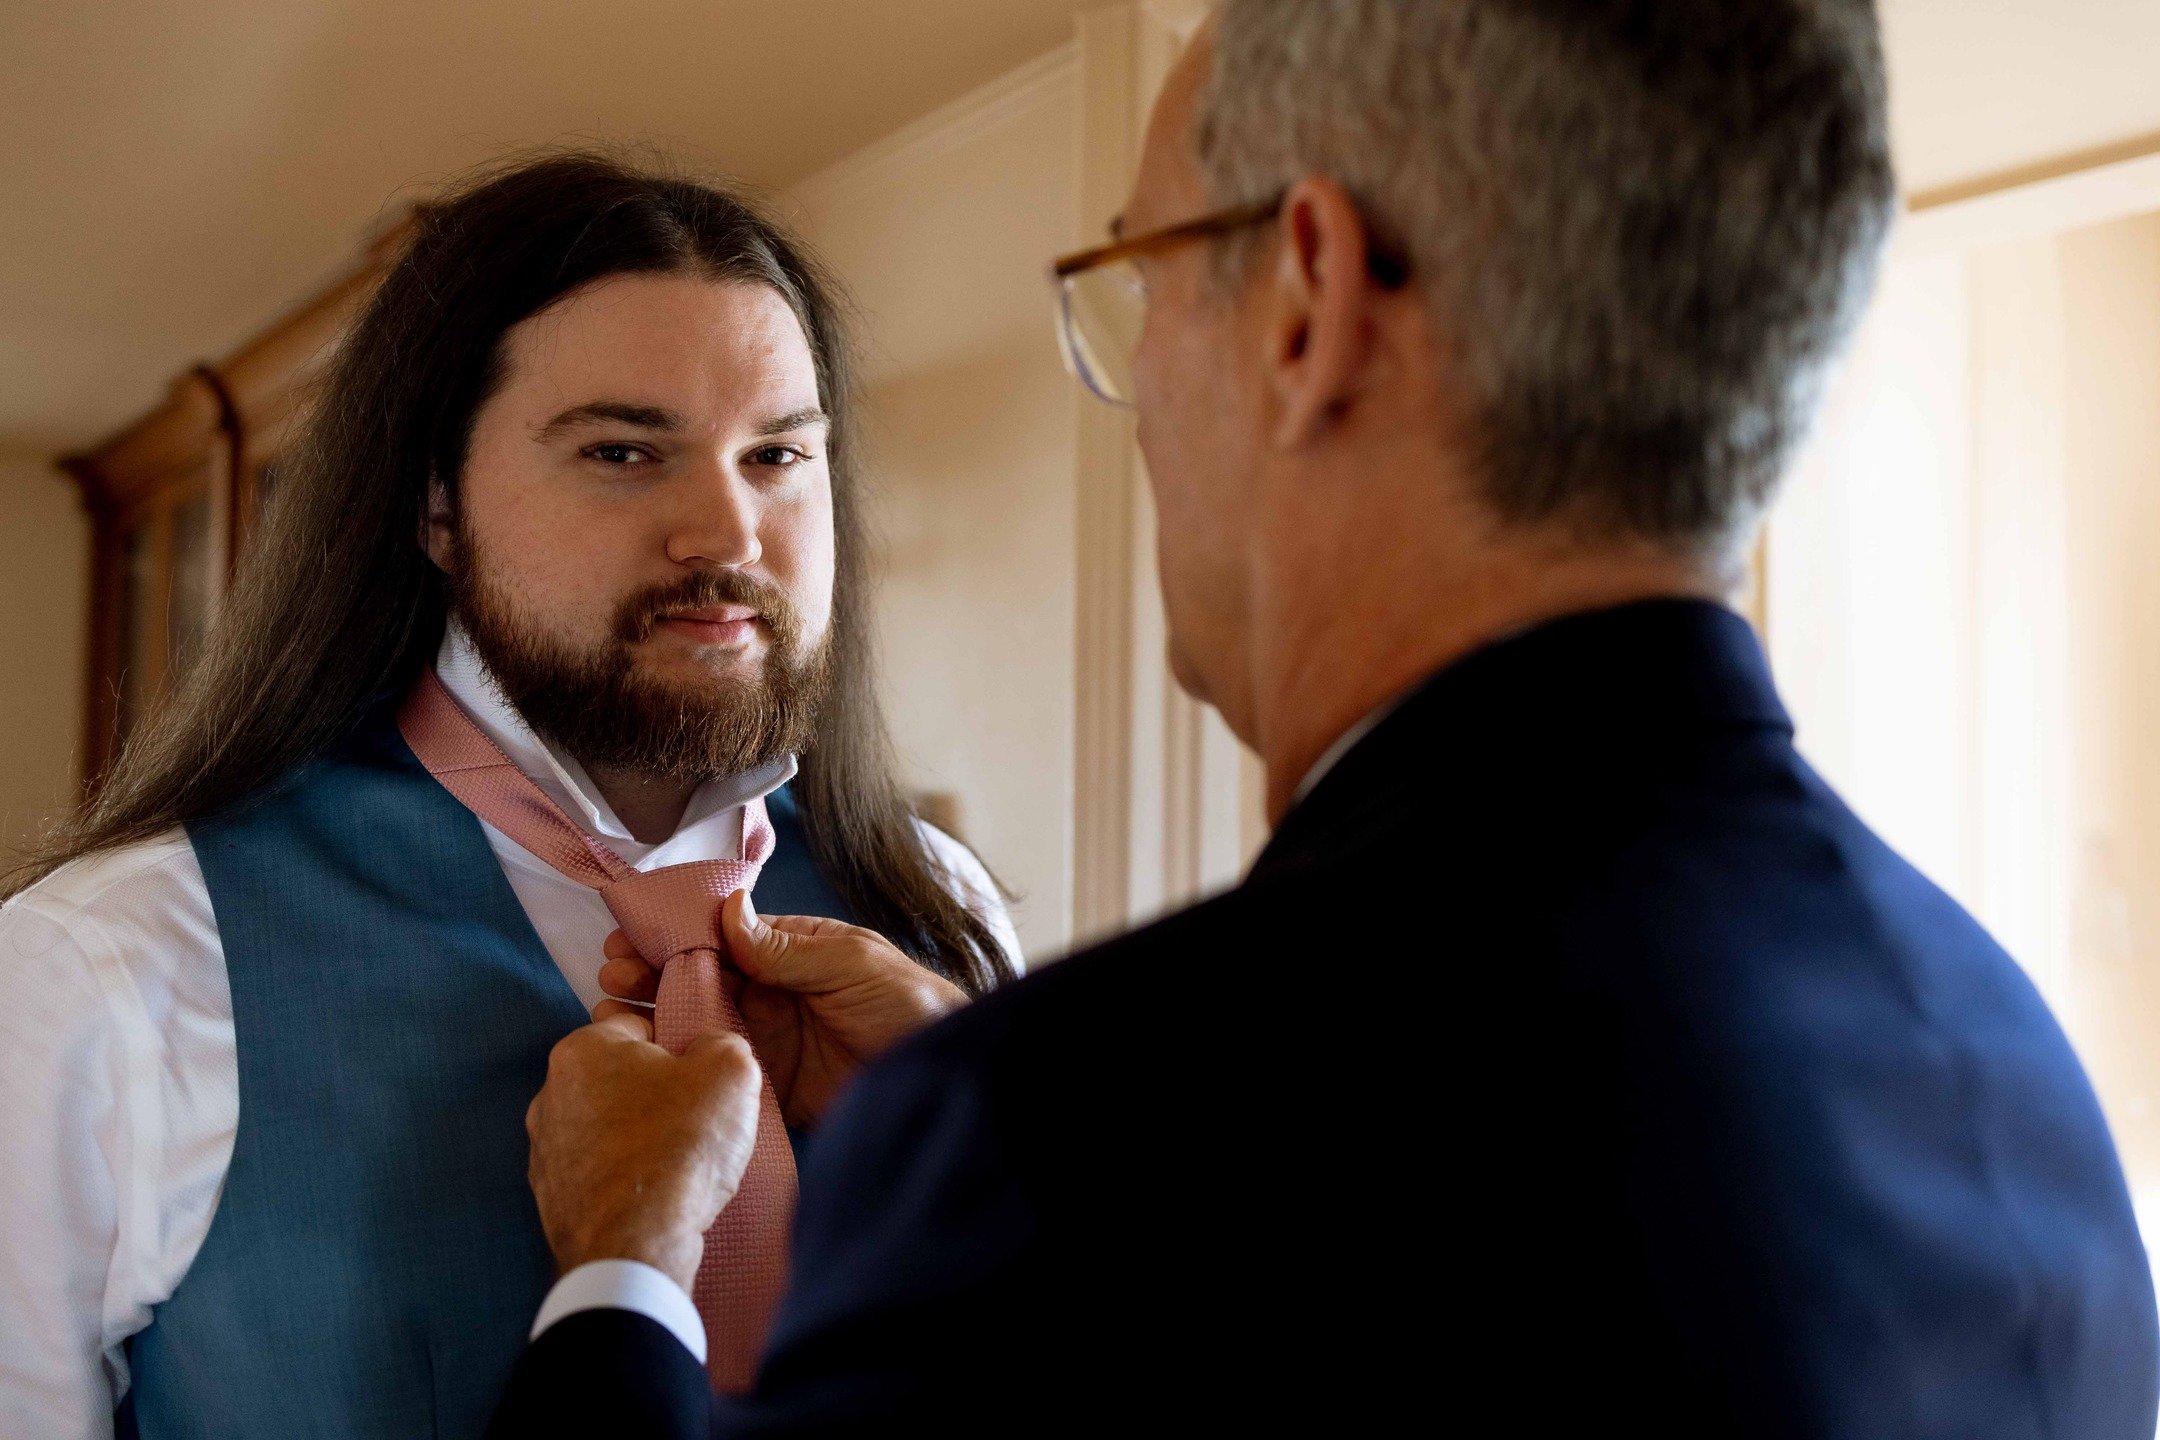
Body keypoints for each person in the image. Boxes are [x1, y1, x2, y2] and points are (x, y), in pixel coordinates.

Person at [490, 2, 2160, 1435]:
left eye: (1143, 283)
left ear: (1306, 303)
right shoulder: (2016, 1081)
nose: (1137, 412)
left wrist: (630, 1264)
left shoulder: (1104, 1142)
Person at [0, 154, 1020, 1440]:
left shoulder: (940, 913)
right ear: (435, 504)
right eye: (621, 450)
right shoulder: (109, 969)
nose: (726, 530)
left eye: (775, 454)